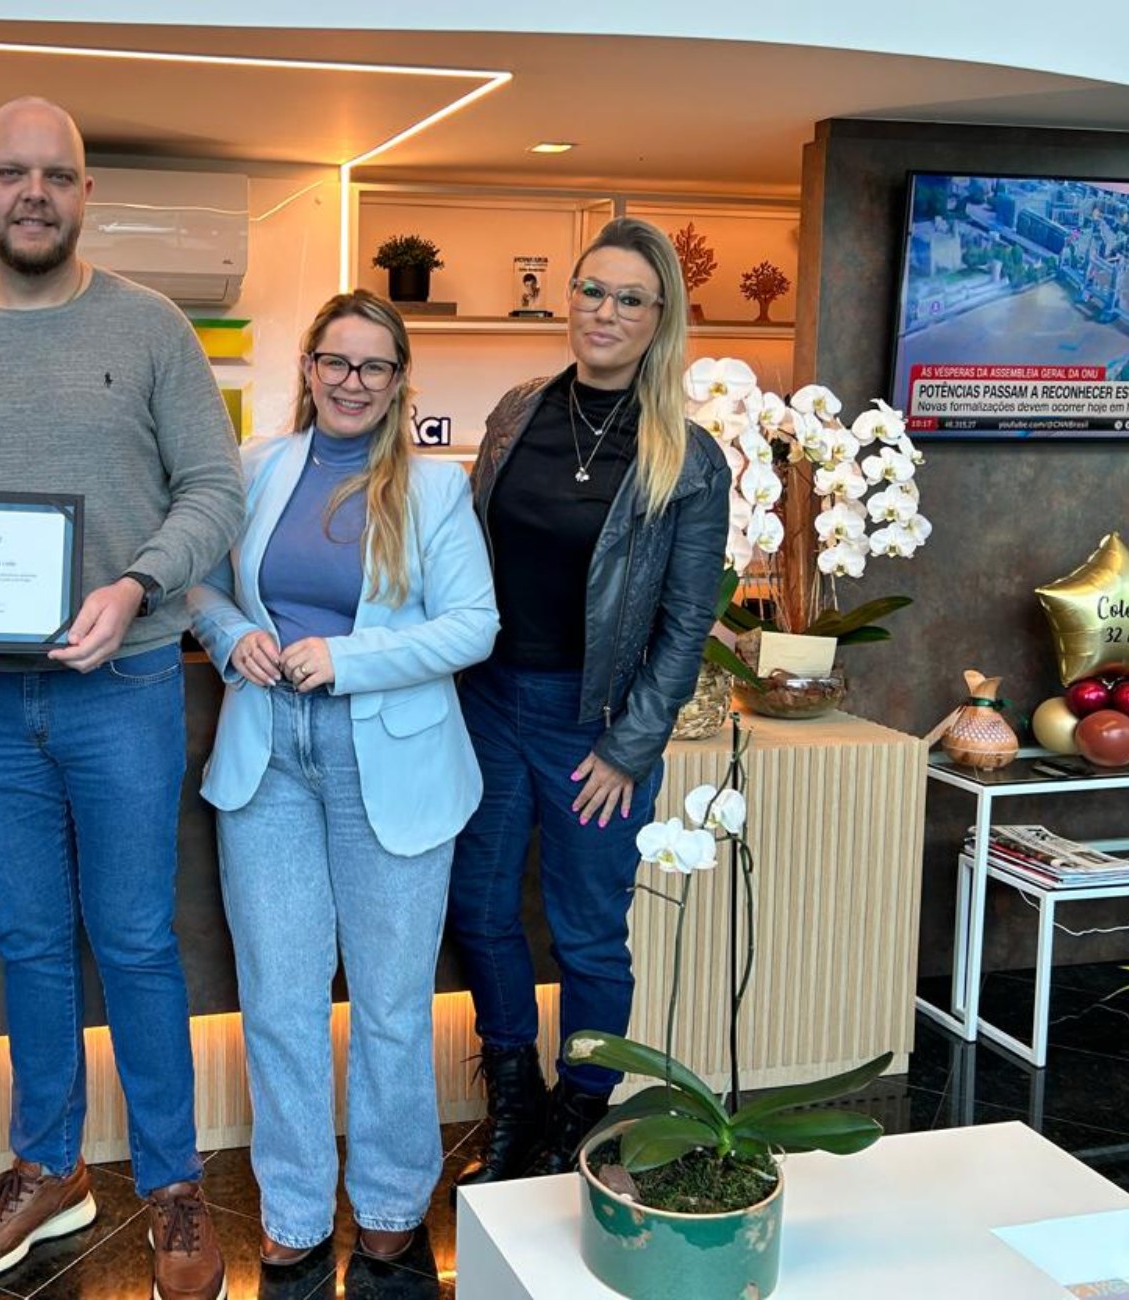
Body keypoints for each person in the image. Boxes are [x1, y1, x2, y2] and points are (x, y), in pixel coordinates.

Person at [0, 97, 243, 1300]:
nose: (33, 193)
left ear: (86, 194)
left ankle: (172, 1184)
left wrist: (136, 586)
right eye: (11, 172)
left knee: (134, 939)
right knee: (27, 941)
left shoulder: (152, 326)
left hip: (122, 687)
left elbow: (213, 490)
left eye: (56, 175)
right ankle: (48, 1165)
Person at [188, 290, 497, 1268]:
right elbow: (200, 583)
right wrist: (231, 635)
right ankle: (293, 1208)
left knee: (392, 1004)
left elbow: (474, 625)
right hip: (267, 759)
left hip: (391, 768)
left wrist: (349, 658)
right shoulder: (257, 467)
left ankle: (393, 1196)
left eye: (373, 366)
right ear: (308, 367)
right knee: (278, 999)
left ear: (399, 381)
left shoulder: (435, 489)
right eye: (335, 361)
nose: (351, 381)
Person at [445, 217, 730, 1186]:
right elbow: (466, 554)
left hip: (595, 726)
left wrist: (630, 746)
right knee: (479, 906)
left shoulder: (687, 457)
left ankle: (581, 1107)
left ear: (659, 318)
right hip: (487, 703)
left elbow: (686, 624)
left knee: (586, 930)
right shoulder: (517, 411)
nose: (604, 312)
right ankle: (513, 1092)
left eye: (629, 298)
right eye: (591, 290)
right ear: (568, 298)